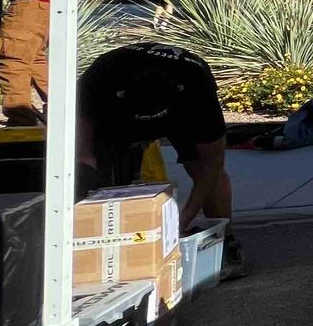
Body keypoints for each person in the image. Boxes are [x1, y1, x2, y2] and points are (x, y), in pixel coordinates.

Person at [77, 42, 247, 279]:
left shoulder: (196, 86)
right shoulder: (99, 82)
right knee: (105, 173)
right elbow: (84, 152)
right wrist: (89, 204)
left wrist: (184, 218)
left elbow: (212, 165)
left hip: (180, 110)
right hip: (117, 113)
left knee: (201, 168)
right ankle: (108, 242)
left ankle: (224, 239)